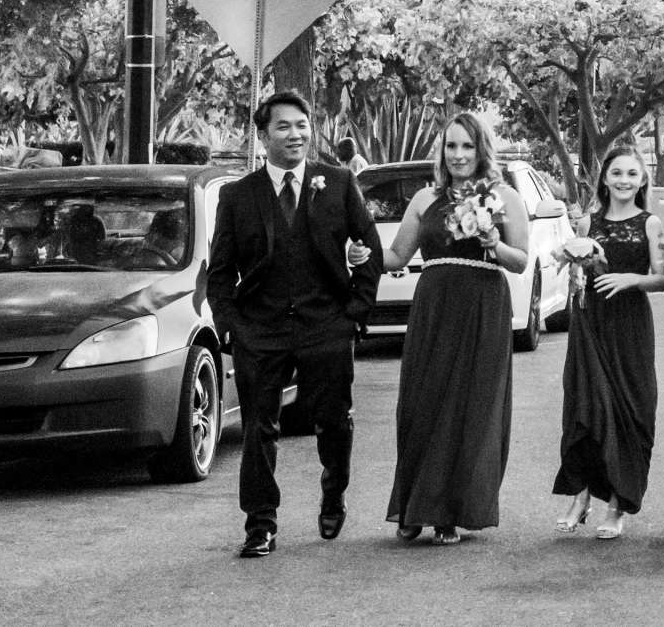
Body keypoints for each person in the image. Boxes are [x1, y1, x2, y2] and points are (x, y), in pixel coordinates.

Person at [207, 89, 384, 559]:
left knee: (333, 421)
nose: (295, 134)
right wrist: (231, 328)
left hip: (326, 323)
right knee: (258, 429)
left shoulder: (339, 183)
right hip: (259, 330)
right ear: (262, 136)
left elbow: (371, 249)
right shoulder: (237, 195)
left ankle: (333, 490)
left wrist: (355, 315)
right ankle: (260, 524)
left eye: (302, 125)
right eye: (283, 126)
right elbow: (220, 272)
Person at [382, 109, 531, 544]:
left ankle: (448, 511)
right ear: (441, 150)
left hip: (482, 306)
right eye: (451, 145)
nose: (459, 154)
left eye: (467, 146)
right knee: (421, 403)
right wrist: (358, 253)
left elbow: (521, 261)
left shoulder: (505, 196)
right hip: (433, 306)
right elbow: (395, 256)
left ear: (481, 149)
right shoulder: (424, 199)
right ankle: (413, 505)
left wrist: (494, 243)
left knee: (469, 407)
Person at [555, 142, 664, 540]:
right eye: (616, 173)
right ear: (605, 178)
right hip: (591, 321)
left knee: (633, 410)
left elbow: (662, 277)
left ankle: (618, 505)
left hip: (631, 325)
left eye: (631, 174)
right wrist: (574, 268)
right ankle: (581, 496)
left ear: (642, 181)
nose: (623, 180)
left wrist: (630, 279)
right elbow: (578, 274)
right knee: (587, 407)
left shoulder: (650, 223)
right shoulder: (588, 222)